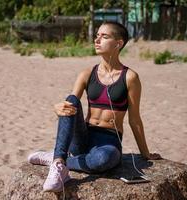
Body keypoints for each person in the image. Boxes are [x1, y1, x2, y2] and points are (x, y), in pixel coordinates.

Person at [27, 21, 162, 192]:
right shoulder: (87, 73)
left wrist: (145, 154)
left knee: (105, 159)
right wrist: (58, 108)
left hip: (108, 141)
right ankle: (58, 163)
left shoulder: (130, 77)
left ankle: (55, 158)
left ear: (118, 43)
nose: (97, 40)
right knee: (71, 100)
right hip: (82, 137)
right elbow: (69, 107)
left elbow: (134, 120)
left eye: (104, 36)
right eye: (97, 36)